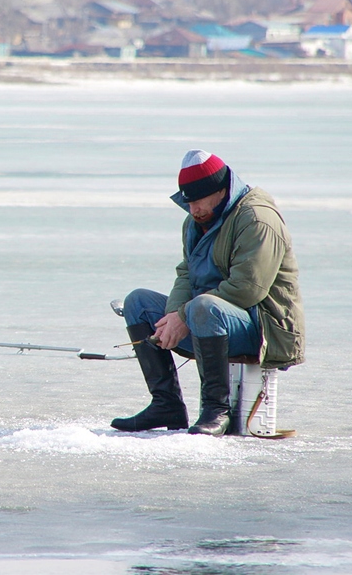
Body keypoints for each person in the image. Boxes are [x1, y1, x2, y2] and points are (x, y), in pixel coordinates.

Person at [111, 149, 304, 437]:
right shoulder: (195, 221)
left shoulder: (257, 219)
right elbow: (187, 273)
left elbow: (247, 289)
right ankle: (166, 405)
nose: (193, 210)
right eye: (188, 202)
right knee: (138, 302)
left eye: (198, 201)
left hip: (263, 329)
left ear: (221, 190)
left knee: (203, 306)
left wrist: (185, 315)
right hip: (210, 319)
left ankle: (217, 410)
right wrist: (174, 316)